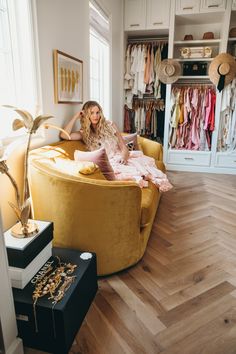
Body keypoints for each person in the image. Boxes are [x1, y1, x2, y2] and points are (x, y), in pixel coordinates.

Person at [60, 100, 172, 191]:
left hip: (120, 157)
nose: (95, 116)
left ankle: (147, 177)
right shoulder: (84, 133)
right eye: (92, 113)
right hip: (107, 163)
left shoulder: (110, 125)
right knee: (128, 176)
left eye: (98, 112)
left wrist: (124, 157)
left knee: (145, 171)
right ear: (86, 115)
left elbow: (123, 146)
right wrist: (76, 116)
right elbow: (64, 135)